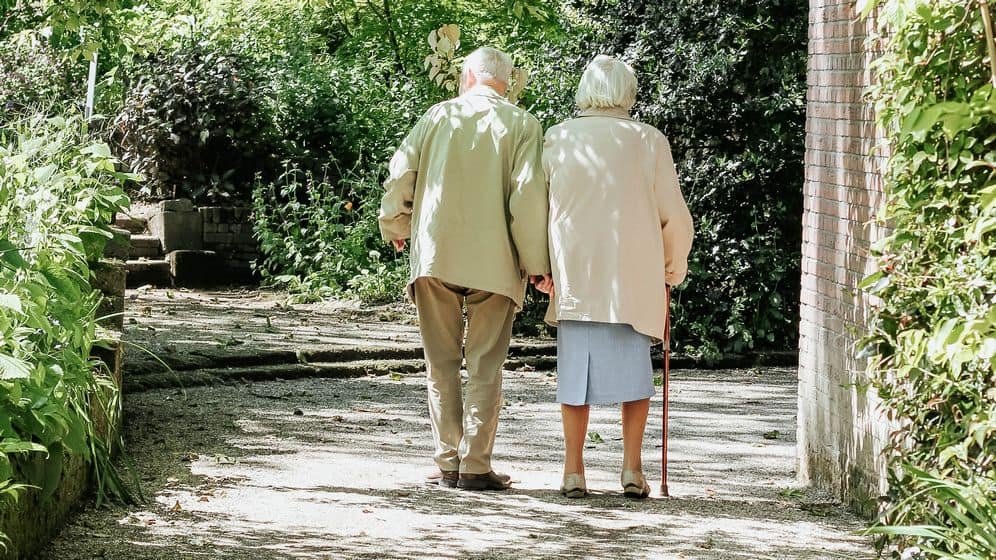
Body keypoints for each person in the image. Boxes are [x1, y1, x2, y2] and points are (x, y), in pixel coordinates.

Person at [379, 47, 551, 491]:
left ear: (469, 75)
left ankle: (447, 461)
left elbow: (401, 175)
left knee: (440, 363)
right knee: (485, 364)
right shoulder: (523, 124)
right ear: (507, 82)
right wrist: (537, 265)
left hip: (437, 255)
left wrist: (395, 223)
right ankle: (475, 465)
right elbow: (527, 198)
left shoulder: (436, 116)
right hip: (496, 262)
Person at [534, 55, 694, 499]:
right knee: (635, 376)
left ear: (586, 90)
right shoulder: (648, 141)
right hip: (633, 276)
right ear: (628, 92)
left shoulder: (558, 137)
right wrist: (671, 269)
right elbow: (674, 216)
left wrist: (539, 267)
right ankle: (631, 468)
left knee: (574, 378)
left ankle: (572, 470)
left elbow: (537, 209)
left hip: (577, 274)